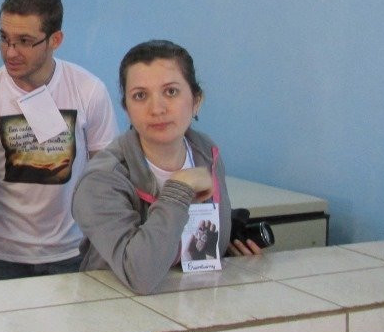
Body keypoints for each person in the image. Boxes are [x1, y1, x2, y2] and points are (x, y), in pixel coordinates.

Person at [72, 39, 262, 295]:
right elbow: (140, 275)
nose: (157, 109)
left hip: (192, 303)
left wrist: (232, 252)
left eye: (171, 92)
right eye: (140, 96)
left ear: (196, 100)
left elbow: (200, 247)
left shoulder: (206, 153)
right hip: (117, 308)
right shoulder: (101, 180)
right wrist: (180, 187)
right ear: (126, 109)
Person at [0, 0, 117, 281]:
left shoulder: (89, 90)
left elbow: (106, 175)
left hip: (71, 251)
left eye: (24, 41)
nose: (10, 52)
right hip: (1, 254)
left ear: (55, 40)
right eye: (4, 38)